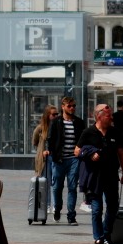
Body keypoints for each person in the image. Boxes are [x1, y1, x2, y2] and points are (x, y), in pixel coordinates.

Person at [77, 104, 123, 244]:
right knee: (96, 209)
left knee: (112, 207)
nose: (111, 117)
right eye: (108, 115)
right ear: (99, 116)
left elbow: (121, 154)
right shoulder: (88, 132)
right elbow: (77, 151)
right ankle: (98, 239)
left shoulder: (114, 132)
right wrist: (90, 153)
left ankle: (107, 235)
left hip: (111, 175)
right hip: (94, 177)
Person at [47, 96, 84, 225]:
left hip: (74, 159)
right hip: (59, 159)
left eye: (74, 106)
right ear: (63, 106)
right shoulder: (56, 122)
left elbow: (82, 140)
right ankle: (57, 209)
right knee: (57, 187)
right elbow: (50, 139)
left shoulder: (79, 122)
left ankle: (71, 215)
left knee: (72, 187)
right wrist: (50, 152)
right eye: (69, 106)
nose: (72, 108)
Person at [32, 104, 57, 177]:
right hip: (45, 159)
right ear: (47, 116)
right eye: (53, 114)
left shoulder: (58, 127)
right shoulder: (40, 128)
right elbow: (35, 142)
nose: (56, 116)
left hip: (55, 158)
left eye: (57, 114)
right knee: (45, 181)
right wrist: (42, 150)